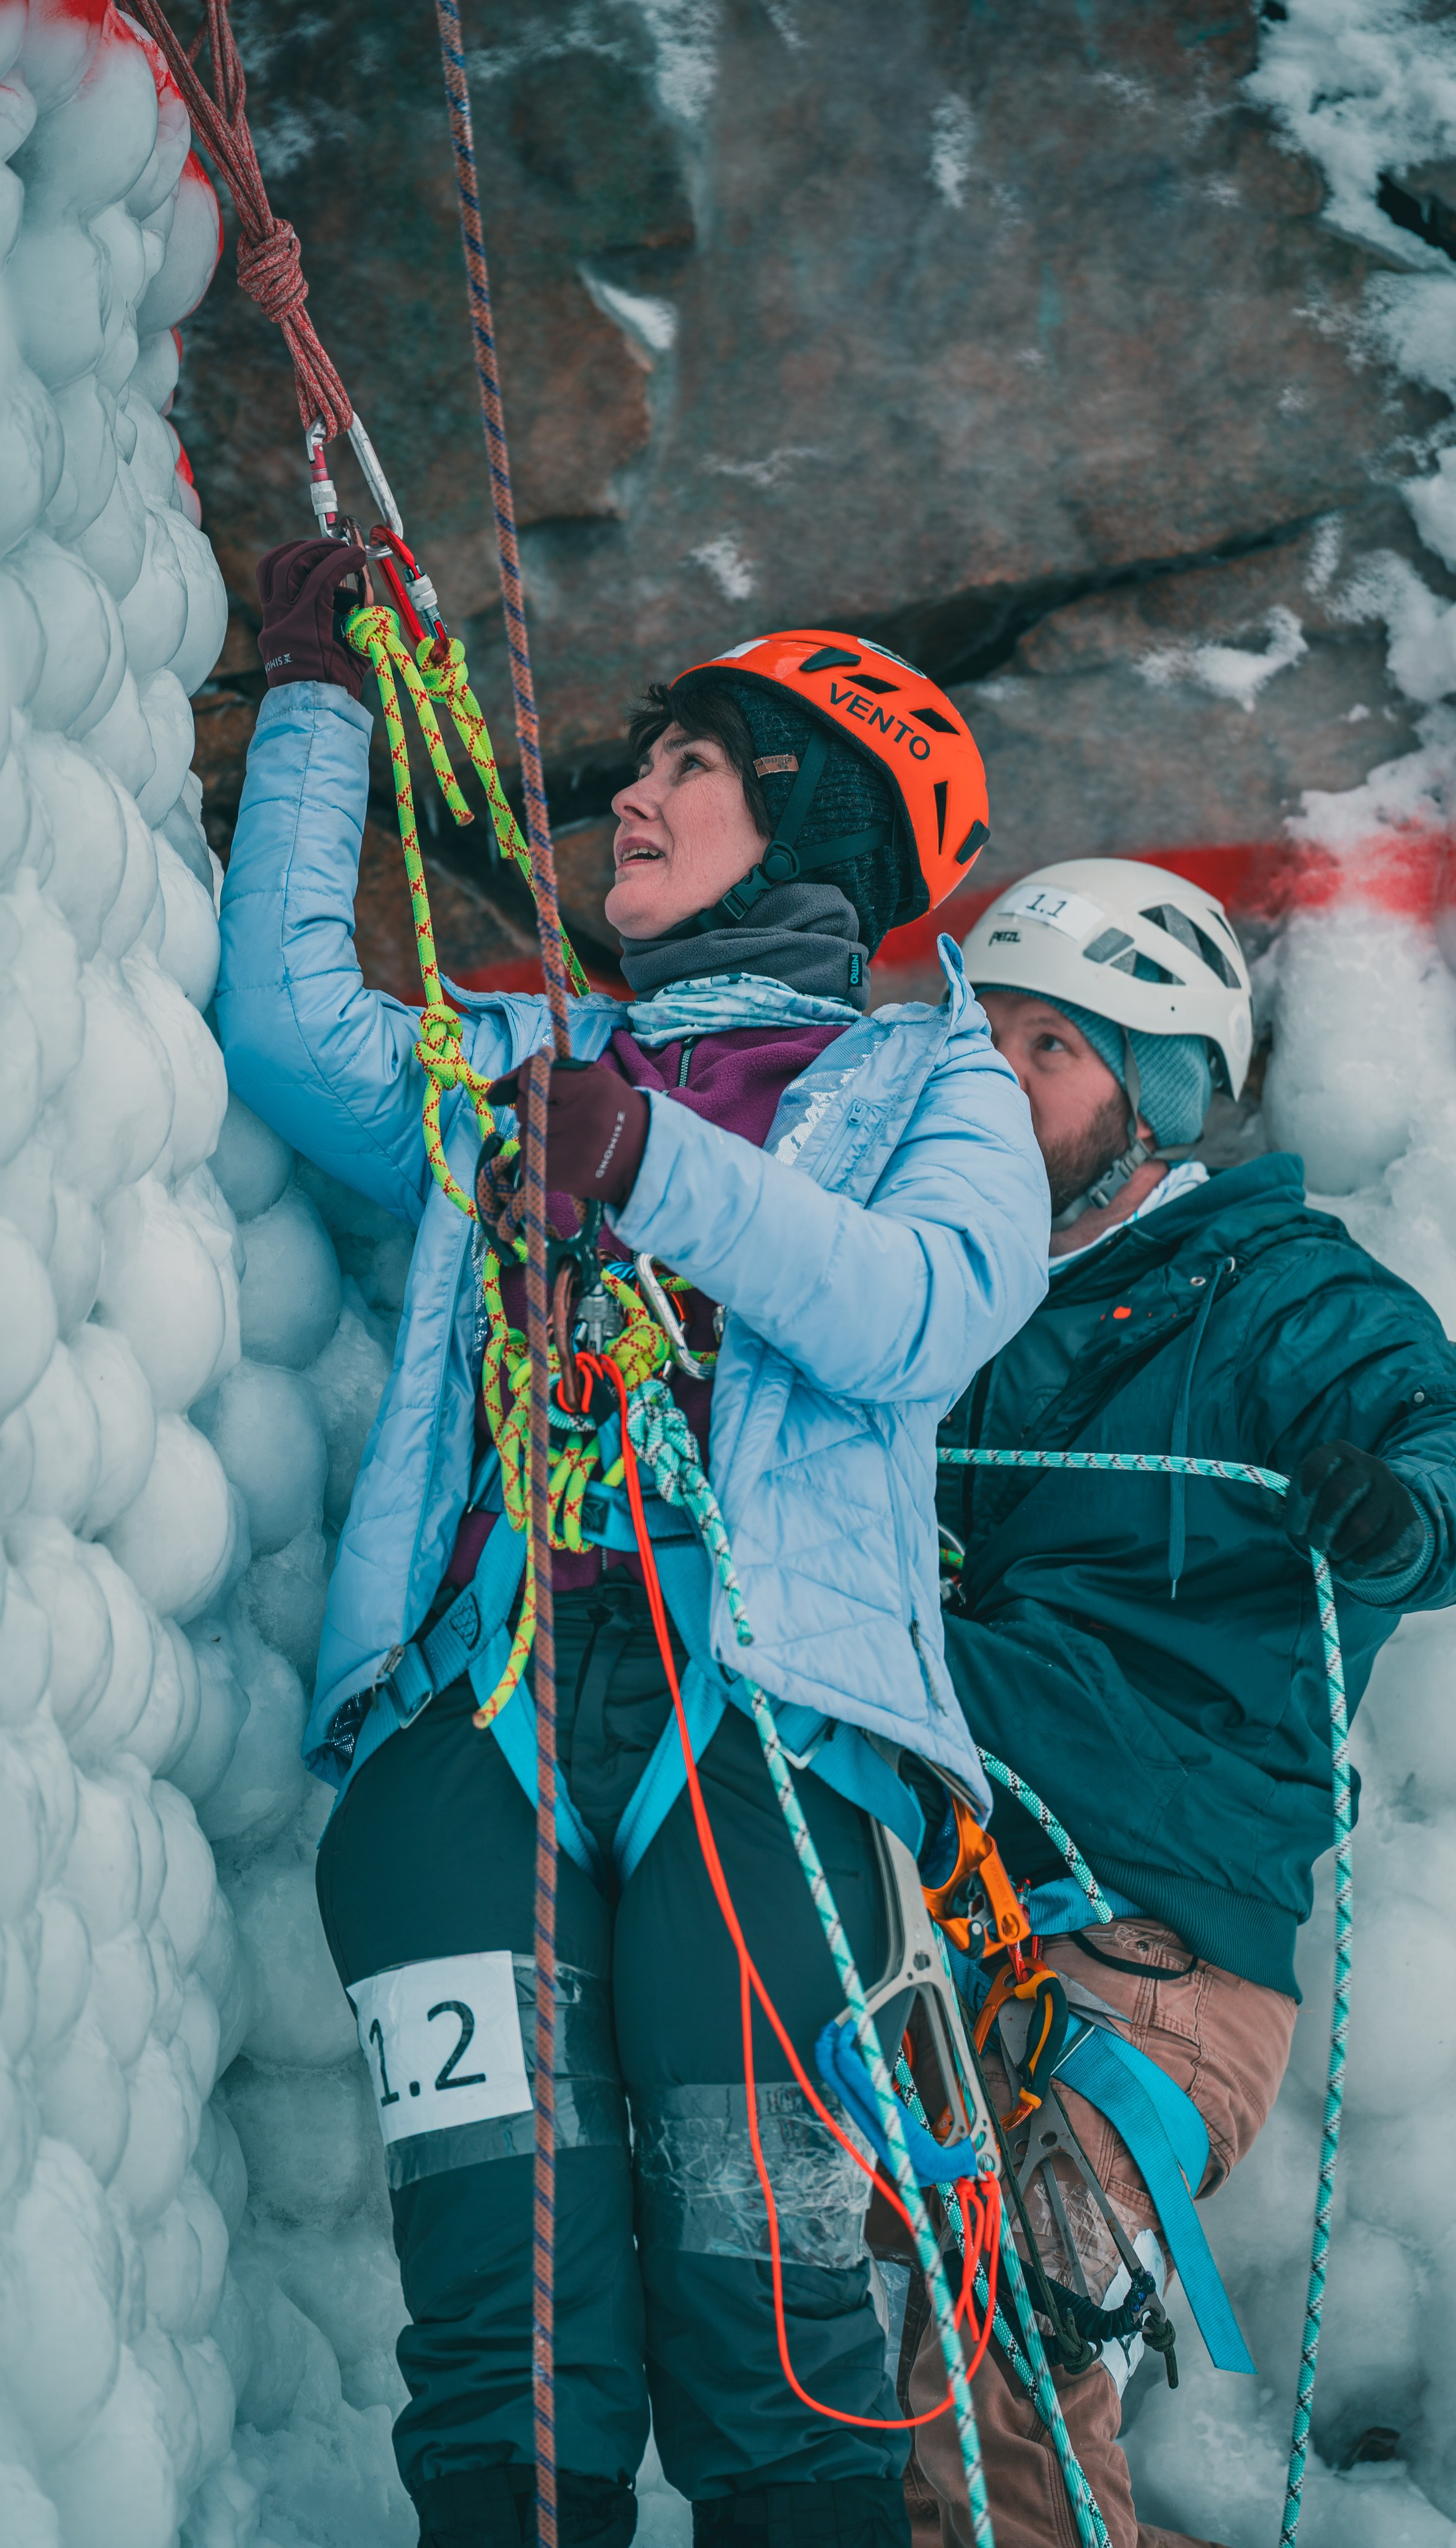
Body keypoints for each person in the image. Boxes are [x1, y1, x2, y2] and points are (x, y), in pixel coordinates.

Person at [216, 539, 1051, 2548]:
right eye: (643, 763)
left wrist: (655, 1162)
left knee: (766, 2320)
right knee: (502, 2329)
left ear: (813, 816)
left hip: (759, 1748)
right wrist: (316, 699)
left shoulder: (939, 1080)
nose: (629, 797)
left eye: (690, 763)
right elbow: (283, 1026)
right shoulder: (518, 1065)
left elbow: (918, 1309)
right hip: (473, 1712)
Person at [901, 859, 1456, 2548]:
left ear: (1159, 1091)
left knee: (999, 2374)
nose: (993, 1078)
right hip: (910, 1924)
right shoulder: (912, 1289)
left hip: (1146, 1967)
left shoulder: (1268, 1290)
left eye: (1048, 1048)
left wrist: (1405, 1504)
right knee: (814, 2401)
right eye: (977, 1041)